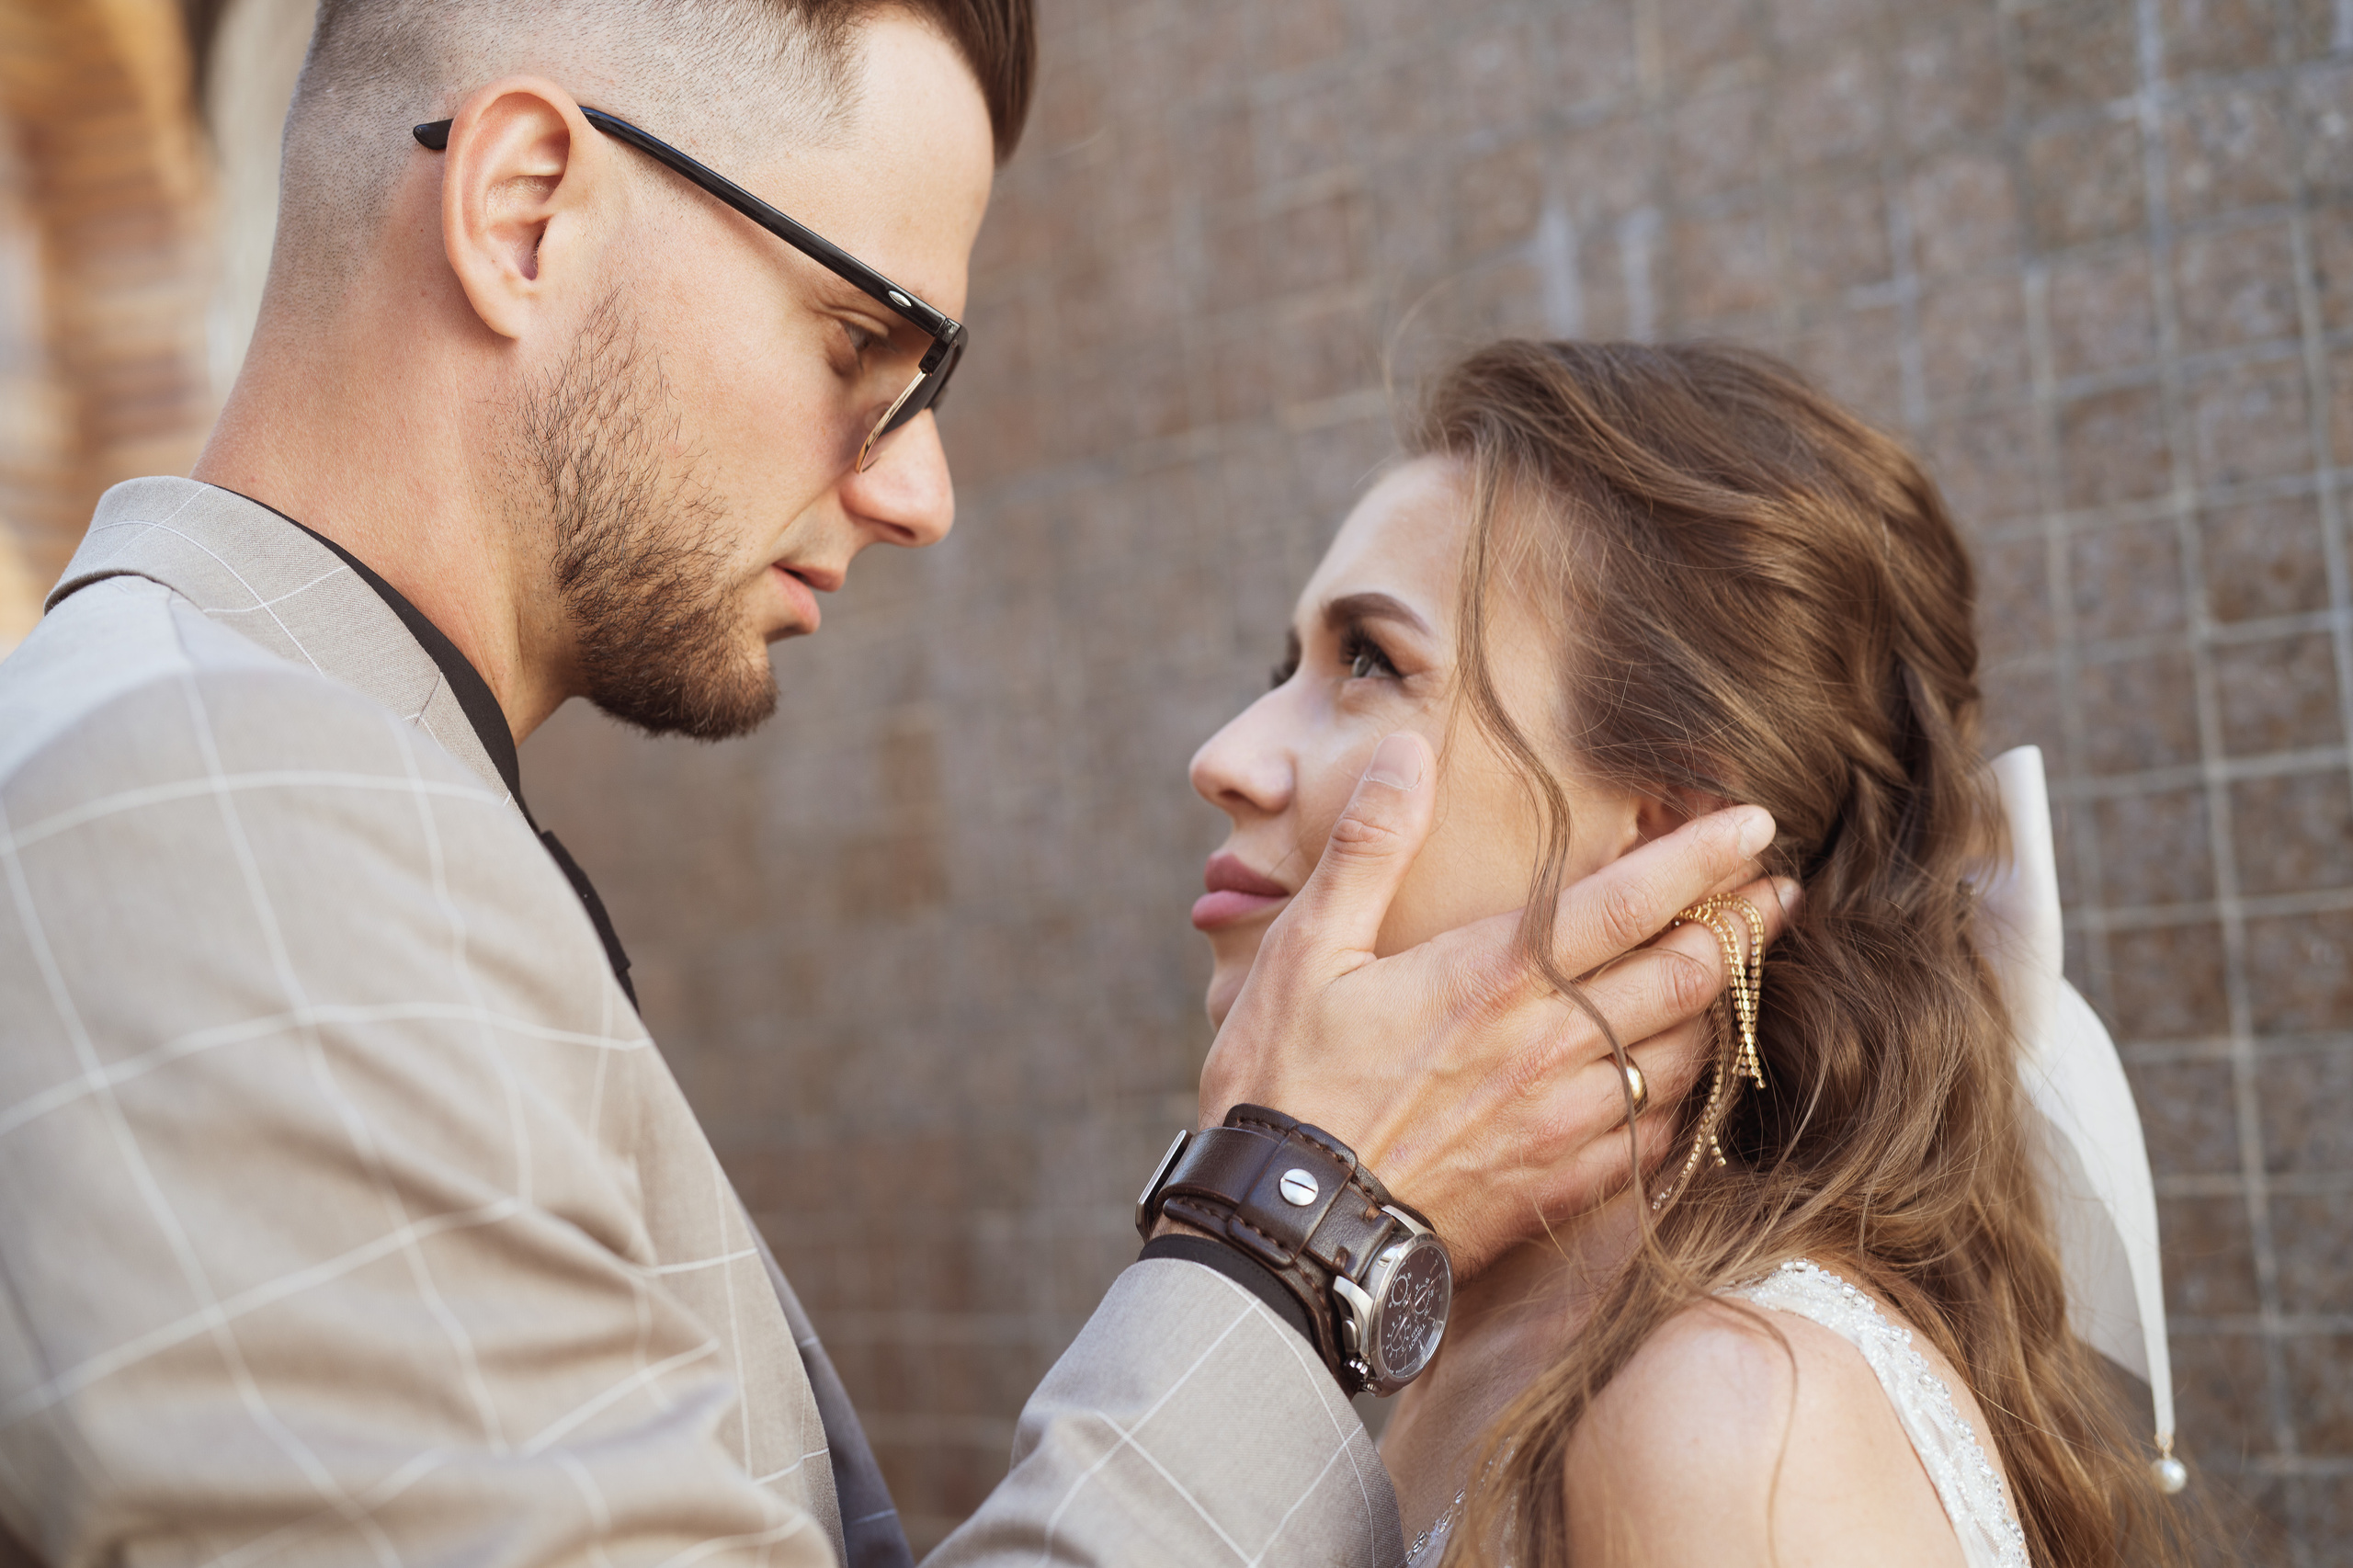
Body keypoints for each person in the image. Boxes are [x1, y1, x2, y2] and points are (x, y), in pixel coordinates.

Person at [0, 6, 1783, 1565]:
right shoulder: (204, 817)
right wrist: (1297, 1229)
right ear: (525, 210)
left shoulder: (300, 785)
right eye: (863, 346)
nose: (915, 488)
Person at [1186, 340, 2194, 1567]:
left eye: (1371, 662)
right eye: (1288, 665)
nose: (1227, 754)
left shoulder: (1724, 1416)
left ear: (1674, 833)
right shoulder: (1479, 1355)